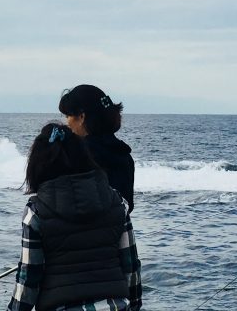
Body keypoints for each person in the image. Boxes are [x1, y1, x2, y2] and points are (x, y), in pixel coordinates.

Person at [9, 123, 142, 311]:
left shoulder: (36, 211)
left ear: (38, 166)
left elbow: (29, 278)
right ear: (84, 156)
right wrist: (135, 305)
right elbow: (131, 266)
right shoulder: (117, 202)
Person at [59, 84, 136, 212]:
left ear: (82, 117)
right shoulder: (124, 154)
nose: (67, 122)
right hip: (118, 230)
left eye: (68, 116)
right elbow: (128, 206)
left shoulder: (81, 154)